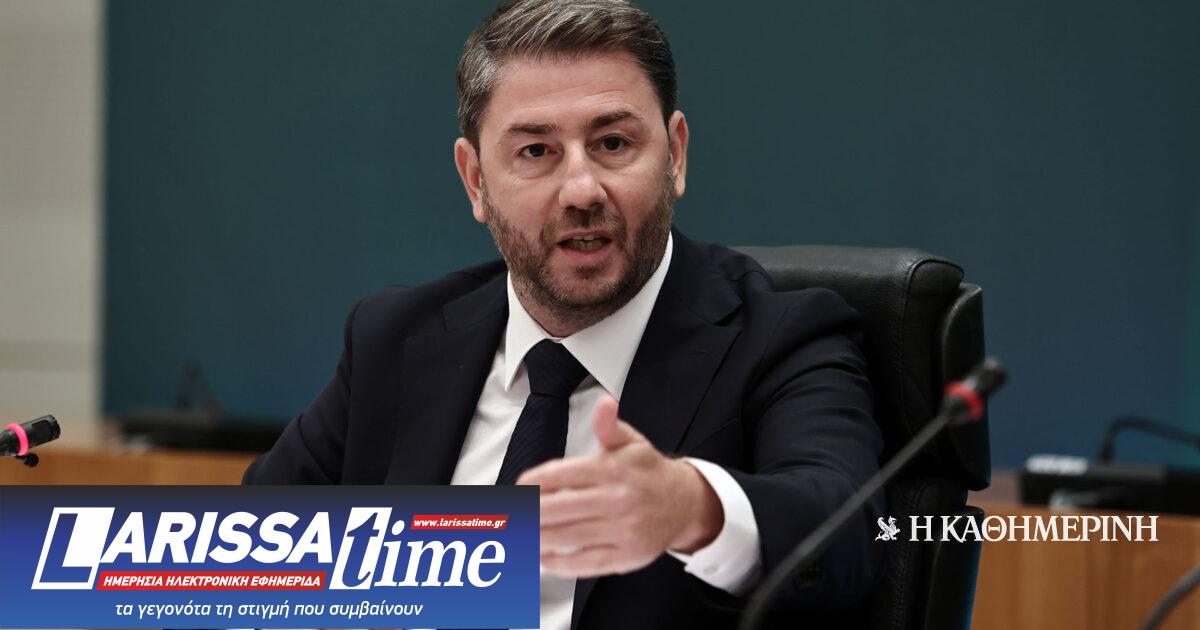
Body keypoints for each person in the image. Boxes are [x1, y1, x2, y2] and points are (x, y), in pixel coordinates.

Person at [244, 1, 885, 628]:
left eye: (613, 143)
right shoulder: (395, 338)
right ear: (476, 181)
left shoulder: (781, 335)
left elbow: (848, 535)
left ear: (675, 156)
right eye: (535, 152)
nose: (581, 190)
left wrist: (690, 507)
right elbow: (235, 567)